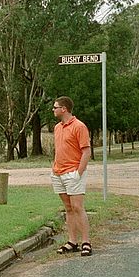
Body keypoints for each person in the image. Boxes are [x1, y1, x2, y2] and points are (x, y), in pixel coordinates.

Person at [50, 96, 93, 256]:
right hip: (58, 173)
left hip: (73, 173)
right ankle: (72, 241)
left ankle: (86, 242)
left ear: (64, 109)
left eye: (55, 107)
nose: (53, 110)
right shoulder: (57, 128)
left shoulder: (79, 126)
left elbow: (86, 151)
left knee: (77, 207)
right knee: (68, 208)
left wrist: (78, 173)